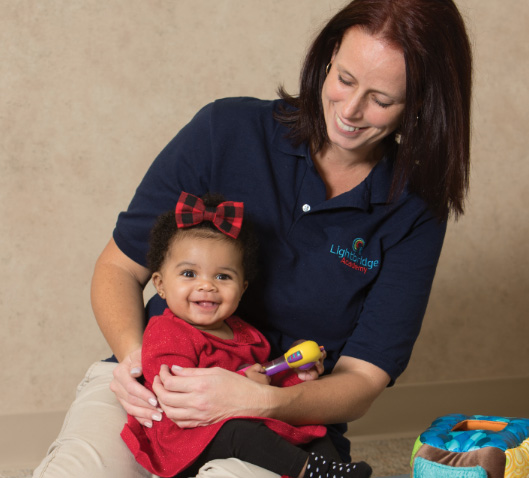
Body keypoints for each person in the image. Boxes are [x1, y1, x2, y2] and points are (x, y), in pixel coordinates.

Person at [33, 0, 472, 477]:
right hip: (155, 385)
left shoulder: (416, 208)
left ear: (422, 105)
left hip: (282, 416)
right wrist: (141, 363)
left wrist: (262, 399)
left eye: (382, 100)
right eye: (344, 79)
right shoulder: (225, 130)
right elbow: (118, 267)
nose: (350, 110)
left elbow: (363, 378)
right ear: (326, 59)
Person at [121, 191, 372, 478]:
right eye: (189, 274)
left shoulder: (246, 334)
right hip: (188, 434)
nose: (207, 286)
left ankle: (332, 473)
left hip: (246, 418)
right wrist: (244, 382)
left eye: (222, 276)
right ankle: (306, 471)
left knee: (311, 430)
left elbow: (267, 378)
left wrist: (294, 369)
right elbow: (174, 391)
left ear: (242, 289)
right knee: (240, 433)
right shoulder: (167, 332)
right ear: (160, 284)